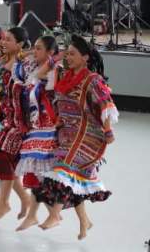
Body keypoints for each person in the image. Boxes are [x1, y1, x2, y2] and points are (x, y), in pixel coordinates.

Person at [33, 35, 117, 240]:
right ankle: (85, 221)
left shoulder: (92, 79)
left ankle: (55, 215)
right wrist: (56, 58)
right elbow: (40, 74)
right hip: (67, 134)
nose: (68, 57)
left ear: (85, 58)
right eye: (67, 53)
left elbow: (105, 104)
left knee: (64, 169)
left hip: (88, 135)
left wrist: (108, 130)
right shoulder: (62, 75)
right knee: (72, 178)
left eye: (72, 54)